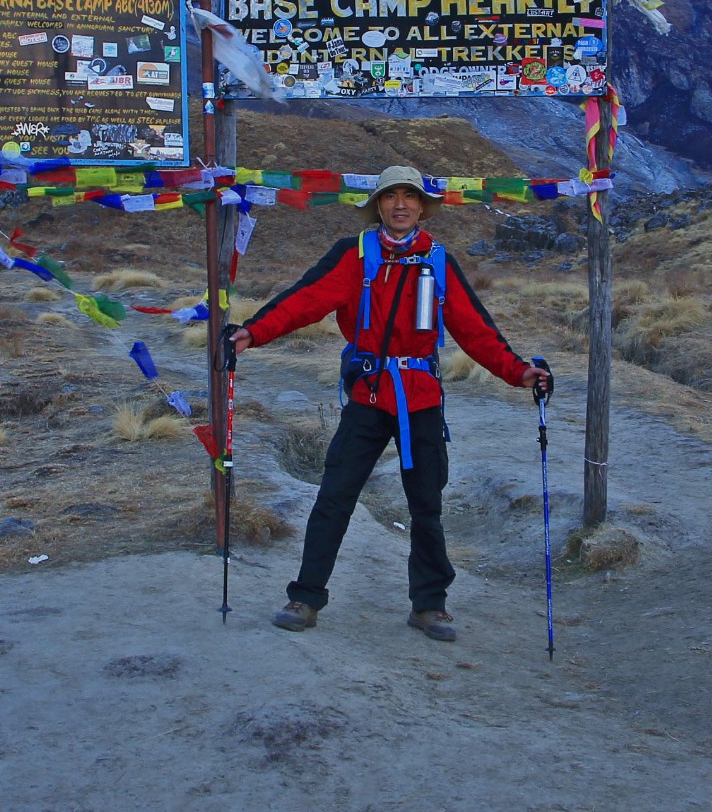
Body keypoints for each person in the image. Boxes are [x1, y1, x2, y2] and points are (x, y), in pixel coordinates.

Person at [228, 164, 551, 642]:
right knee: (334, 497)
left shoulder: (438, 260)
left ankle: (430, 605)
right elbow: (304, 300)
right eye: (390, 196)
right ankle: (306, 597)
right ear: (377, 205)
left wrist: (521, 372)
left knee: (426, 506)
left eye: (409, 196)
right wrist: (250, 333)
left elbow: (474, 328)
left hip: (421, 400)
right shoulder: (354, 255)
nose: (400, 204)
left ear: (422, 206)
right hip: (368, 396)